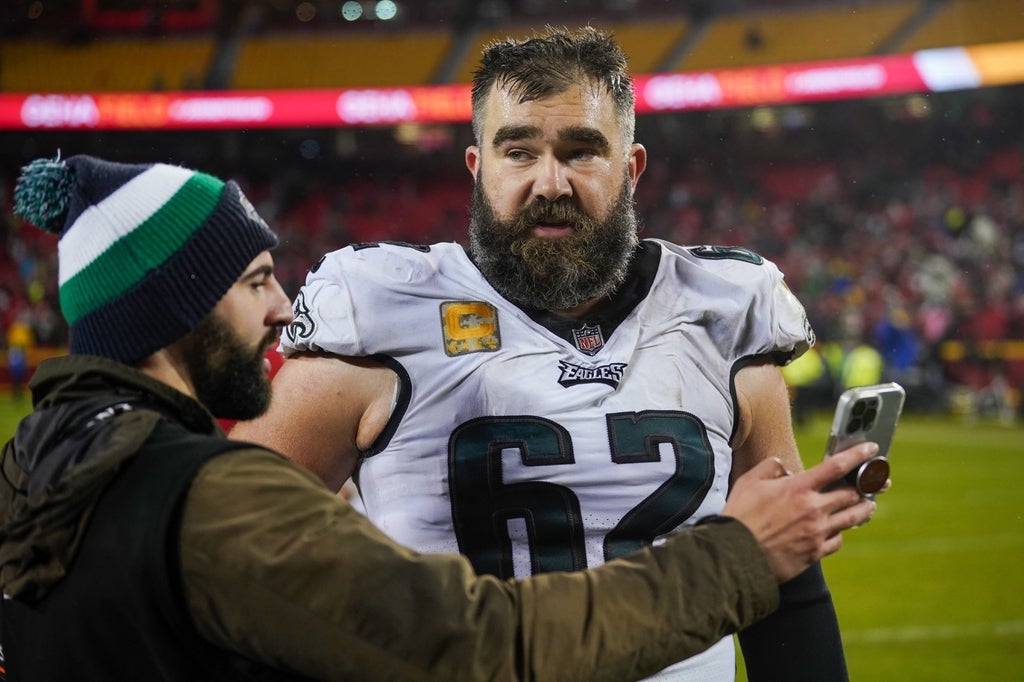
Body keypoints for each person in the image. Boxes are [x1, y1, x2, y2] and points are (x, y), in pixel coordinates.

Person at [0, 153, 879, 682]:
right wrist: (740, 555)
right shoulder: (213, 498)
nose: (281, 311)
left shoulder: (43, 457)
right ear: (179, 307)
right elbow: (484, 650)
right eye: (256, 281)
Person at [233, 26, 872, 681]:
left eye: (581, 151)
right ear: (478, 169)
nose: (549, 182)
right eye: (519, 151)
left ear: (631, 168)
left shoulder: (722, 310)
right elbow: (229, 543)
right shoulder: (380, 311)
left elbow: (783, 572)